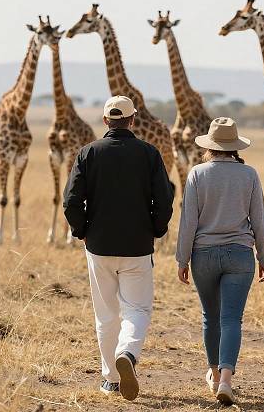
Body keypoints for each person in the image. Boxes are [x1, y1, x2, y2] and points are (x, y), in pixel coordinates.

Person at [63, 95, 174, 401]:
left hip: (98, 247)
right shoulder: (149, 153)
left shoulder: (88, 153)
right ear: (133, 120)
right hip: (138, 247)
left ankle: (111, 378)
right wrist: (156, 229)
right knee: (137, 309)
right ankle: (128, 352)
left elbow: (71, 201)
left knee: (105, 314)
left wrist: (82, 231)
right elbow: (164, 201)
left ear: (105, 122)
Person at [176, 117, 264, 406]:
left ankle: (215, 377)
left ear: (210, 147)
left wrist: (182, 258)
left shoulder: (196, 174)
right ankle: (227, 381)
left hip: (203, 255)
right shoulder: (250, 174)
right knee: (231, 318)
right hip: (240, 255)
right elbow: (260, 221)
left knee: (210, 317)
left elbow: (187, 221)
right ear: (234, 147)